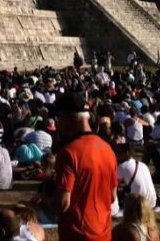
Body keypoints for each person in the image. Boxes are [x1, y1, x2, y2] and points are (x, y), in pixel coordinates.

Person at [53, 92, 117, 241]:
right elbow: (112, 196)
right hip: (103, 233)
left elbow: (63, 203)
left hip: (77, 234)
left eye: (59, 118)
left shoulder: (68, 153)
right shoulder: (107, 149)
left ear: (68, 118)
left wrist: (44, 202)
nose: (58, 123)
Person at [115, 143, 157, 209]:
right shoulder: (143, 165)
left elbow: (114, 186)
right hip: (152, 202)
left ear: (127, 153)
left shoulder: (122, 166)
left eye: (119, 152)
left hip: (139, 203)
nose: (117, 155)